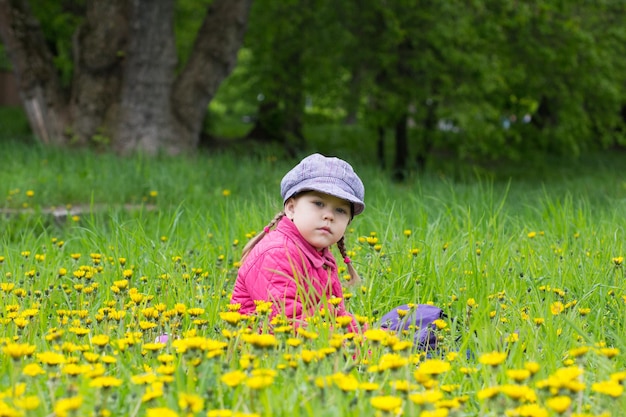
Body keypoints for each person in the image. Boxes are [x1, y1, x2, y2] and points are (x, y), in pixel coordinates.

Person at [230, 153, 365, 333]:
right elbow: (287, 323)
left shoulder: (321, 255)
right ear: (291, 209)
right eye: (318, 203)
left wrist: (368, 338)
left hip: (313, 340)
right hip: (262, 349)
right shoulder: (276, 252)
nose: (329, 216)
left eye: (340, 210)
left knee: (401, 323)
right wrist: (360, 348)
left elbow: (337, 315)